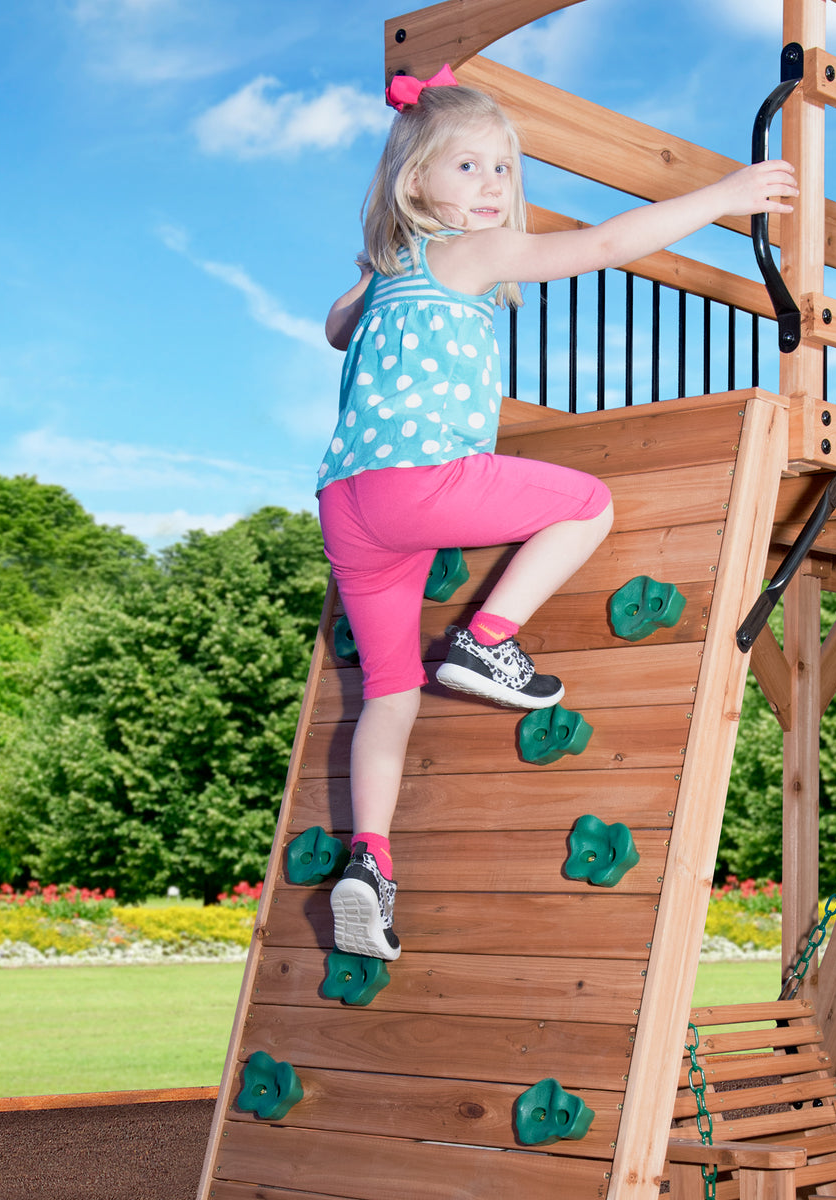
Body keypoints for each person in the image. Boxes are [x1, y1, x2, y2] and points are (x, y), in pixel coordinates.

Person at [317, 64, 798, 961]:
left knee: (388, 694)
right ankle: (487, 639)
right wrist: (726, 195)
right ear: (412, 180)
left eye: (503, 169)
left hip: (345, 503)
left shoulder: (386, 273)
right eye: (467, 169)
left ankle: (369, 863)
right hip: (418, 481)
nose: (493, 187)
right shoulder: (475, 254)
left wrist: (361, 276)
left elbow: (335, 329)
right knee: (586, 502)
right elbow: (607, 247)